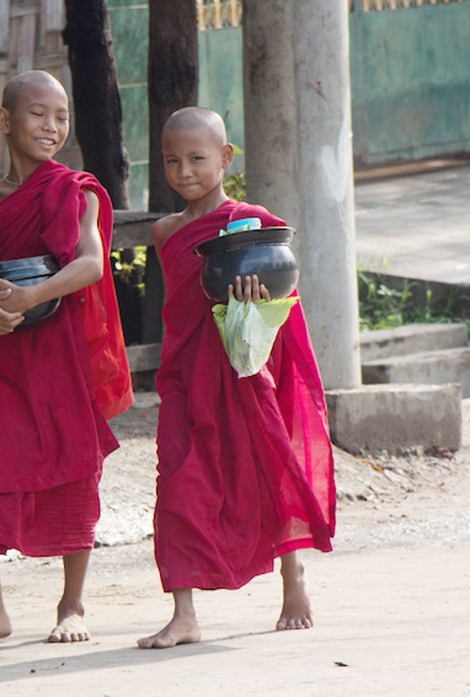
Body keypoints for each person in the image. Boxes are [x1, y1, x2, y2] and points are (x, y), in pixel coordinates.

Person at [0, 70, 134, 647]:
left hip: (59, 350)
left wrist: (31, 296)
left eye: (62, 117)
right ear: (5, 120)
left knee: (73, 465)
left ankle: (72, 605)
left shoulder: (76, 191)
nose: (52, 127)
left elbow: (91, 263)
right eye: (38, 114)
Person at [137, 107, 335, 649]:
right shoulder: (165, 231)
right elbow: (181, 304)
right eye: (172, 161)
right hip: (185, 371)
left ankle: (292, 576)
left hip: (243, 367)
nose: (184, 172)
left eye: (197, 159)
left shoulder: (253, 220)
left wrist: (260, 296)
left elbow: (282, 290)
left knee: (268, 464)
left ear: (225, 158)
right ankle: (184, 612)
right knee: (178, 477)